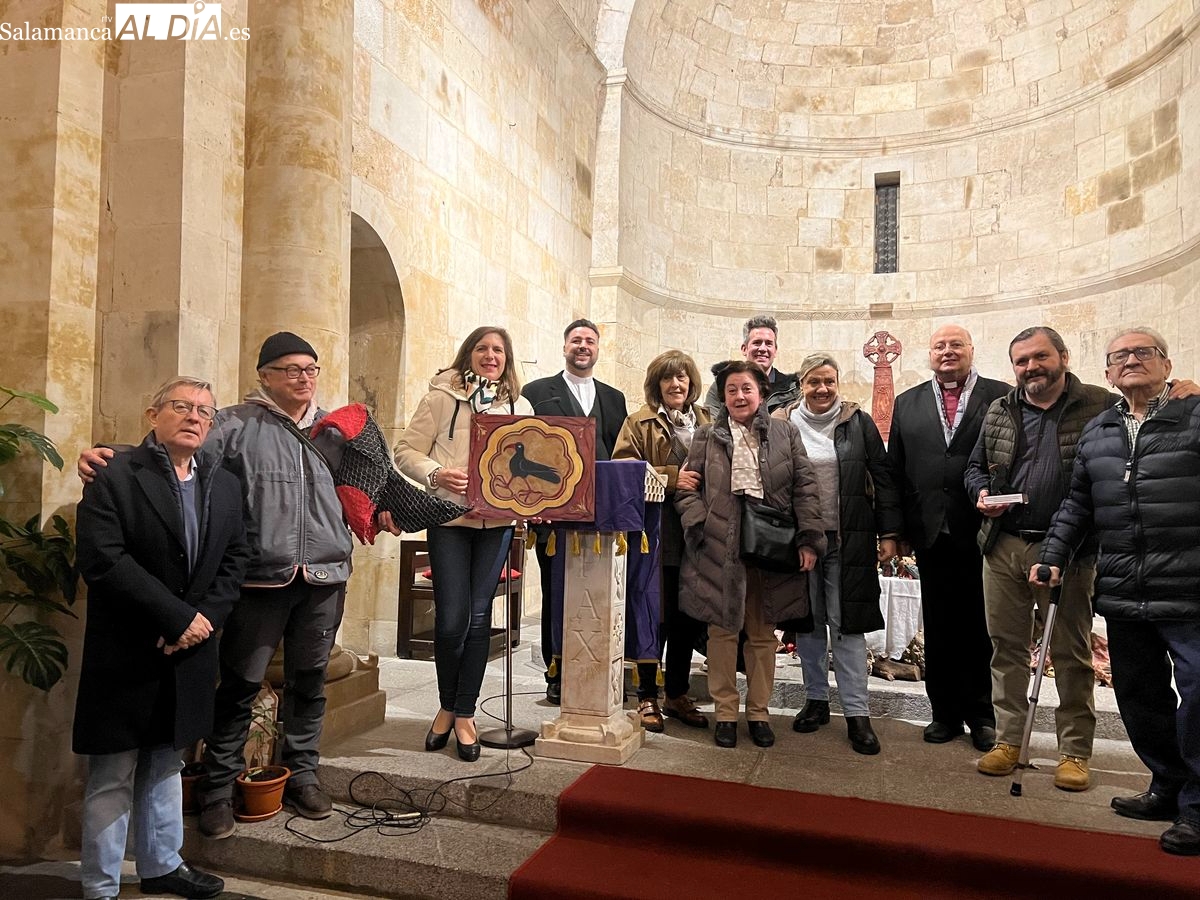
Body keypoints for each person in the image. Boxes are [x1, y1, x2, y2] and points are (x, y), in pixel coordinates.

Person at [79, 332, 401, 840]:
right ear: (265, 376)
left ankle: (304, 774)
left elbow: (371, 487)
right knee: (240, 686)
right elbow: (172, 453)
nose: (303, 377)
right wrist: (108, 456)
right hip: (260, 578)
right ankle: (217, 787)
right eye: (290, 368)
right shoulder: (230, 423)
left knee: (310, 682)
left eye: (311, 369)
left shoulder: (338, 432)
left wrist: (382, 511)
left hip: (325, 574)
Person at [74, 377, 250, 900]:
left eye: (205, 411)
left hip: (190, 651)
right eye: (181, 407)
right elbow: (103, 559)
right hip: (129, 648)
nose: (194, 417)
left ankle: (163, 866)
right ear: (154, 414)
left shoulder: (224, 483)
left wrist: (203, 621)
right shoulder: (115, 473)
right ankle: (100, 886)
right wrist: (176, 618)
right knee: (112, 773)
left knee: (166, 763)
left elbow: (235, 559)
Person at [1037, 327, 1200, 856]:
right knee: (1138, 696)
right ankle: (1167, 785)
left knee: (1199, 698)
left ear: (1166, 363)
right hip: (1126, 589)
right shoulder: (1101, 430)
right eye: (1119, 356)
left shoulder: (1194, 415)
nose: (1130, 360)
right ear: (1107, 373)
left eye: (1142, 352)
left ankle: (1198, 807)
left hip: (1190, 587)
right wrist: (1053, 556)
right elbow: (1077, 505)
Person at [393, 326, 534, 761]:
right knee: (452, 620)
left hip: (496, 524)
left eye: (498, 350)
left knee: (477, 618)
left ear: (507, 359)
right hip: (449, 519)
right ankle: (448, 704)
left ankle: (462, 713)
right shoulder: (441, 396)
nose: (490, 356)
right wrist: (437, 474)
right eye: (482, 348)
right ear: (467, 354)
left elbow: (530, 464)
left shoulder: (520, 405)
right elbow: (405, 450)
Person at [676, 360, 825, 749]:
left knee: (762, 634)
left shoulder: (785, 433)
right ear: (723, 397)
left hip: (770, 549)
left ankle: (758, 713)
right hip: (717, 549)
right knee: (721, 632)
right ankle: (725, 712)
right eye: (731, 390)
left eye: (746, 389)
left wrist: (808, 539)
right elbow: (686, 488)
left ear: (760, 393)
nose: (739, 396)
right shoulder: (706, 437)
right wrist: (699, 523)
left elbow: (805, 489)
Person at [887, 324, 1008, 752]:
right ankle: (944, 714)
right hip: (930, 529)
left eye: (956, 344)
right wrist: (895, 529)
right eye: (939, 346)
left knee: (981, 625)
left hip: (986, 531)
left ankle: (983, 716)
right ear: (930, 354)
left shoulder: (1002, 395)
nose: (947, 351)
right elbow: (894, 471)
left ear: (972, 349)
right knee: (938, 626)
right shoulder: (908, 402)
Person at [777, 354, 902, 755]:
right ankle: (815, 701)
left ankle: (857, 714)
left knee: (847, 626)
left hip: (848, 541)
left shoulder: (857, 422)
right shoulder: (783, 423)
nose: (822, 389)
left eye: (829, 381)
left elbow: (883, 477)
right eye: (814, 381)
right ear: (802, 384)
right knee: (808, 623)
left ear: (837, 383)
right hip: (800, 543)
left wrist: (891, 532)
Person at [521, 319, 627, 704]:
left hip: (601, 514)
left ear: (598, 349)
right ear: (564, 346)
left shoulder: (614, 399)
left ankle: (597, 666)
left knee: (599, 594)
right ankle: (557, 670)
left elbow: (620, 454)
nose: (583, 346)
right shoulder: (536, 392)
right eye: (576, 340)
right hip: (553, 514)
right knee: (556, 591)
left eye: (590, 341)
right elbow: (527, 448)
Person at [612, 350, 713, 732]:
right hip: (654, 534)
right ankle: (647, 697)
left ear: (691, 384)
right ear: (657, 384)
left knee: (687, 616)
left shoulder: (708, 420)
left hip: (697, 535)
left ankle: (676, 693)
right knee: (653, 615)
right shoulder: (637, 422)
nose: (676, 384)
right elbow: (623, 470)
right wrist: (672, 478)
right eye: (668, 379)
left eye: (682, 378)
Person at [703, 315, 800, 416]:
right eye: (757, 343)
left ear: (775, 351)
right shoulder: (721, 386)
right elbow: (711, 423)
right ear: (744, 349)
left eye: (768, 344)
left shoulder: (792, 390)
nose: (763, 349)